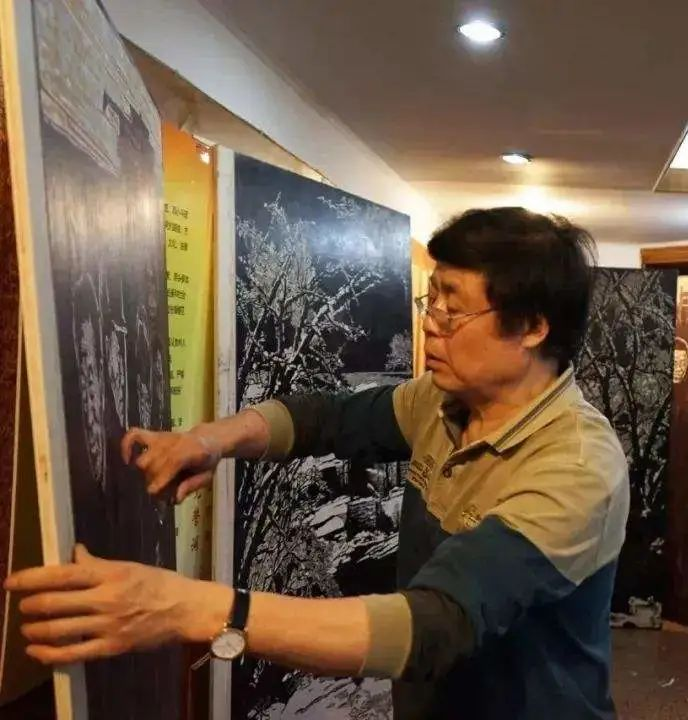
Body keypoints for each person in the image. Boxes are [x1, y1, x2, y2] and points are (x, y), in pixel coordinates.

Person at [5, 208, 630, 720]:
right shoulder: (441, 402)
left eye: (453, 308)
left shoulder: (575, 469)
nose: (430, 325)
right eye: (430, 299)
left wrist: (191, 607)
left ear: (532, 328)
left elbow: (433, 624)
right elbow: (327, 417)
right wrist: (209, 440)